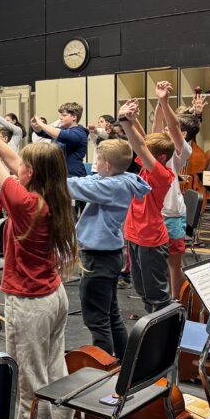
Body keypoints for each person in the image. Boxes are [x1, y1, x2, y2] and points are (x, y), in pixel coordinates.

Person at [0, 98, 78, 419]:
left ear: (32, 173)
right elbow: (13, 159)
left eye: (25, 167)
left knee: (29, 380)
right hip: (54, 296)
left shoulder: (25, 202)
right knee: (55, 366)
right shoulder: (56, 193)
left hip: (30, 302)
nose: (20, 168)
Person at [66, 138, 151, 357]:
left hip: (99, 259)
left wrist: (47, 176)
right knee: (110, 315)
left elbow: (74, 186)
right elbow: (91, 180)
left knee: (97, 320)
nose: (94, 164)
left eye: (98, 159)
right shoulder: (122, 180)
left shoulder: (112, 186)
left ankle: (102, 371)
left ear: (107, 165)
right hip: (108, 256)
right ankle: (121, 362)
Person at [118, 98, 174, 314]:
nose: (141, 157)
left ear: (159, 157)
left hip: (150, 238)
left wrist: (124, 120)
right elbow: (143, 141)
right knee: (142, 289)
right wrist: (132, 120)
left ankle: (164, 332)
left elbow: (141, 146)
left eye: (148, 154)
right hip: (135, 235)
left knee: (157, 294)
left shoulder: (161, 175)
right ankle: (153, 326)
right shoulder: (150, 166)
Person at [151, 82, 192, 298]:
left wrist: (165, 103)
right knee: (158, 262)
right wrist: (159, 101)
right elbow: (158, 128)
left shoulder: (182, 151)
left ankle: (177, 300)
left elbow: (172, 128)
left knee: (174, 263)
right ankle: (162, 300)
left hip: (173, 213)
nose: (166, 130)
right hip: (156, 213)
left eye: (171, 128)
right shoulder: (159, 149)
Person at [31, 103, 89, 177]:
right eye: (61, 115)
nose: (61, 118)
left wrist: (41, 124)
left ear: (74, 117)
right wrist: (35, 126)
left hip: (73, 176)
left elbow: (62, 135)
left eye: (64, 115)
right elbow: (41, 132)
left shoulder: (79, 132)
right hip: (59, 174)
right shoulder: (61, 130)